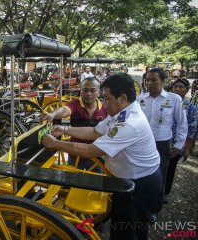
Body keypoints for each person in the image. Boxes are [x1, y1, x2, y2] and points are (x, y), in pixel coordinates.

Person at [42, 73, 162, 240]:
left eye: (106, 98)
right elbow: (94, 131)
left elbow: (91, 151)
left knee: (129, 232)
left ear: (122, 98)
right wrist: (65, 130)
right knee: (123, 227)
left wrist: (56, 144)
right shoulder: (121, 113)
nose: (104, 103)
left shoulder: (130, 123)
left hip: (140, 183)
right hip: (128, 179)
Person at [136, 68, 187, 222]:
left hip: (161, 144)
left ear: (163, 82)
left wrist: (178, 145)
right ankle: (139, 205)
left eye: (154, 79)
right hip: (141, 144)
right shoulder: (140, 99)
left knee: (159, 177)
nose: (150, 83)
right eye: (147, 80)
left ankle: (154, 209)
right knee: (140, 175)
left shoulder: (174, 99)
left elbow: (182, 124)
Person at [39, 77, 107, 169]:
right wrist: (53, 114)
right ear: (81, 90)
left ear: (99, 92)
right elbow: (65, 110)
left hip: (98, 156)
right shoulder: (75, 104)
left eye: (93, 90)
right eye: (85, 90)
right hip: (74, 153)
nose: (88, 94)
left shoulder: (105, 108)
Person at [165, 78, 197, 203]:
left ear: (187, 90)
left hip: (177, 145)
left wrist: (187, 148)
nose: (178, 89)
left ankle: (165, 192)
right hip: (161, 142)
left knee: (170, 168)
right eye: (175, 87)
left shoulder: (191, 108)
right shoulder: (165, 102)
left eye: (181, 87)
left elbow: (191, 130)